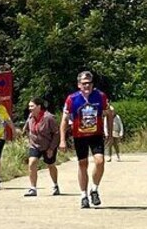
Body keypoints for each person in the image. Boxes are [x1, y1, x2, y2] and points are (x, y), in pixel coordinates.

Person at [60, 71, 113, 209]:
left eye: (89, 83)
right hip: (79, 136)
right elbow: (64, 120)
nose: (87, 86)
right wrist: (62, 140)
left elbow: (109, 114)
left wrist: (110, 133)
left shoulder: (100, 96)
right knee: (82, 164)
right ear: (79, 85)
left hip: (96, 134)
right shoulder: (72, 99)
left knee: (100, 161)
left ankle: (94, 189)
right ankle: (83, 195)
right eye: (84, 83)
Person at [23, 97, 60, 197]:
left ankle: (55, 185)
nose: (30, 108)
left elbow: (56, 133)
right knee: (32, 163)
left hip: (48, 145)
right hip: (34, 145)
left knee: (50, 165)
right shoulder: (30, 116)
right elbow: (26, 128)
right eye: (29, 106)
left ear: (39, 106)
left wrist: (52, 148)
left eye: (32, 106)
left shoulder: (49, 117)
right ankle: (33, 188)